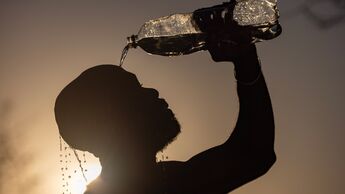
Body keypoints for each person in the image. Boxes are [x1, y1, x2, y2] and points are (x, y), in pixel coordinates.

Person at [55, 14, 276, 194]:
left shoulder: (163, 179)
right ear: (108, 123)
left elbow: (253, 154)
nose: (153, 91)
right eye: (132, 92)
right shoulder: (161, 185)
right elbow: (253, 154)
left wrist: (245, 58)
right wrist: (245, 61)